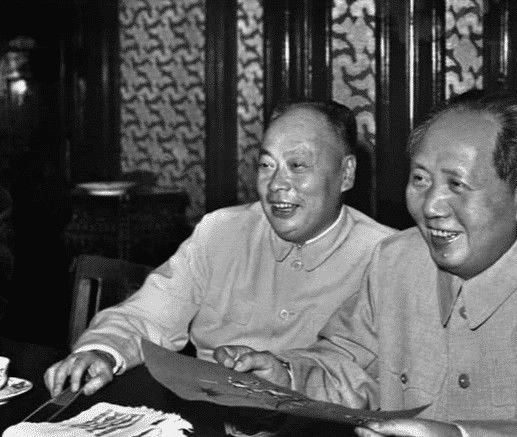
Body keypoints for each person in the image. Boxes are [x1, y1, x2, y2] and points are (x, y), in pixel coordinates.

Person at [215, 93, 517, 436]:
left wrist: (460, 435)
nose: (431, 206)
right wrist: (284, 375)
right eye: (420, 179)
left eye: (457, 185)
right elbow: (348, 367)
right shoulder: (395, 262)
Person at [44, 100, 393, 399]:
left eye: (298, 166)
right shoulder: (221, 231)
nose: (276, 184)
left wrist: (289, 376)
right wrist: (103, 351)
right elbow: (150, 313)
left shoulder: (388, 257)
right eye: (266, 165)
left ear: (346, 173)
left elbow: (379, 383)